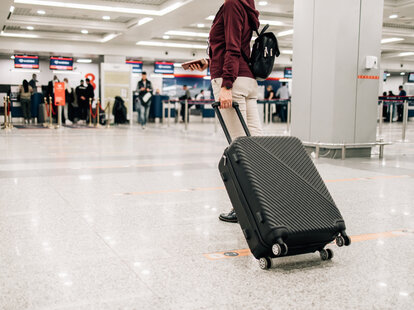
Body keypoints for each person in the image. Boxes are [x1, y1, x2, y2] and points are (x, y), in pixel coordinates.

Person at [186, 0, 262, 223]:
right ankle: (264, 201)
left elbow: (232, 49)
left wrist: (227, 84)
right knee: (255, 143)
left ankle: (245, 208)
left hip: (233, 82)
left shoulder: (231, 5)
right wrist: (210, 61)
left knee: (239, 148)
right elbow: (238, 47)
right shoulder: (246, 5)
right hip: (248, 80)